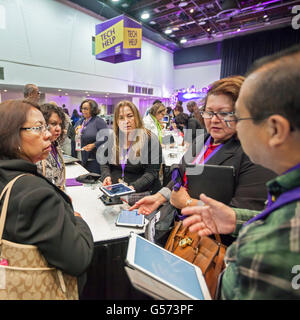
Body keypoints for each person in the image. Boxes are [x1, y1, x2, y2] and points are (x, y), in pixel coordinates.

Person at [181, 45, 300, 299]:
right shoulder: (202, 141)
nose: (219, 122)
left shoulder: (271, 245)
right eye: (210, 113)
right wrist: (237, 218)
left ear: (276, 129)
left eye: (237, 116)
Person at [130, 76, 275, 244]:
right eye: (209, 112)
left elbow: (246, 217)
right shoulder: (203, 141)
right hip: (184, 233)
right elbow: (181, 176)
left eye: (224, 113)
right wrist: (159, 198)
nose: (214, 119)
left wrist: (188, 203)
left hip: (218, 246)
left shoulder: (254, 153)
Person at [0, 99, 94, 295]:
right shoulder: (35, 193)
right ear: (12, 137)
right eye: (38, 128)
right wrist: (78, 221)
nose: (48, 134)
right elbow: (78, 259)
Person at [100, 100, 162, 194]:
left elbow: (152, 173)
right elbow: (104, 162)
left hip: (141, 193)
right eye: (121, 118)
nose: (126, 121)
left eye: (130, 116)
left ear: (137, 117)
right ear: (116, 122)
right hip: (115, 190)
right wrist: (106, 176)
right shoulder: (113, 138)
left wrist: (131, 188)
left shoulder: (150, 139)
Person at [36, 103, 67, 189]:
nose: (58, 129)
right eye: (53, 124)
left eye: (60, 124)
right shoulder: (37, 150)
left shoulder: (55, 144)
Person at [75, 99, 107, 174]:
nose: (83, 111)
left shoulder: (98, 121)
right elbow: (73, 135)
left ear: (92, 110)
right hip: (80, 157)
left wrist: (94, 144)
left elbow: (106, 136)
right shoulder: (80, 122)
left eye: (86, 109)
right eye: (82, 108)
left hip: (94, 159)